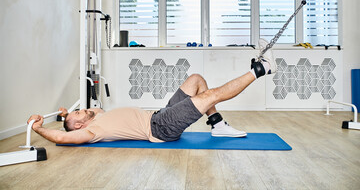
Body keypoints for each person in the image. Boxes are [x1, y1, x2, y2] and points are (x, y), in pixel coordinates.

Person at [28, 39, 277, 144]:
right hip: (159, 128)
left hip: (159, 114)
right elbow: (62, 138)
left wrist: (63, 115)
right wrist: (39, 128)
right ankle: (260, 70)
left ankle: (217, 124)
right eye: (78, 114)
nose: (84, 110)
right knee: (209, 95)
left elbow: (89, 111)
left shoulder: (96, 116)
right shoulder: (91, 132)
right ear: (80, 126)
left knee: (196, 80)